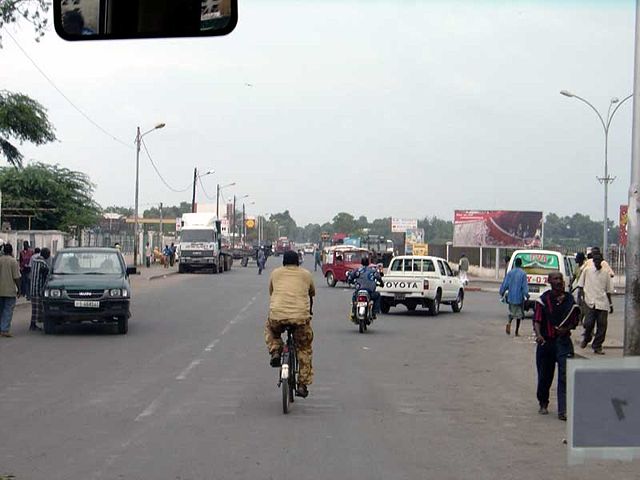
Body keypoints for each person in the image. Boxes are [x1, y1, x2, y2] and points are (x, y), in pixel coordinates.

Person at [264, 250, 315, 398]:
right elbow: (311, 294)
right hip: (300, 319)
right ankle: (303, 384)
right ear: (298, 261)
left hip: (277, 316)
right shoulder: (306, 274)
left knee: (270, 329)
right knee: (304, 348)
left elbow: (271, 292)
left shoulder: (275, 273)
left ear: (283, 262)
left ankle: (275, 351)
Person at [533, 271, 580, 421]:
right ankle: (543, 403)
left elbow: (574, 321)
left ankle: (563, 410)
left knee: (565, 376)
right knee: (545, 376)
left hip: (564, 343)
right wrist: (539, 335)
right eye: (555, 279)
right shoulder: (544, 300)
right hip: (547, 342)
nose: (559, 281)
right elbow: (537, 320)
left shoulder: (570, 301)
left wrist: (566, 329)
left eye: (560, 279)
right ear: (549, 281)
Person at [577, 252, 613, 355]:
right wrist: (580, 299)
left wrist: (610, 304)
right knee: (588, 323)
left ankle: (597, 346)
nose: (597, 262)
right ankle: (587, 337)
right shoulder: (587, 271)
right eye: (595, 260)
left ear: (602, 261)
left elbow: (608, 291)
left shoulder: (606, 273)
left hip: (602, 303)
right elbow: (580, 285)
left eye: (599, 260)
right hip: (589, 301)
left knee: (602, 326)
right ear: (593, 261)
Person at [499, 257, 529, 336]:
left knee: (512, 312)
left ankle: (509, 322)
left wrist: (502, 292)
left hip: (511, 297)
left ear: (515, 264)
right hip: (519, 298)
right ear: (521, 264)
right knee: (519, 315)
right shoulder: (523, 274)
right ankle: (516, 331)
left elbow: (505, 283)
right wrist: (527, 294)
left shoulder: (510, 273)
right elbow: (524, 286)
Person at [0, 244, 21, 337]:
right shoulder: (13, 262)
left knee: (1, 310)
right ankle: (4, 330)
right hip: (9, 290)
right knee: (8, 310)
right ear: (12, 251)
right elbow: (16, 277)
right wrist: (19, 289)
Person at [29, 248, 51, 332]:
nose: (49, 256)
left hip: (33, 288)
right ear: (45, 255)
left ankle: (33, 324)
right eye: (48, 254)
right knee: (38, 308)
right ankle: (34, 325)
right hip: (39, 289)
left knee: (34, 307)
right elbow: (46, 276)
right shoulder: (43, 264)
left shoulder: (34, 261)